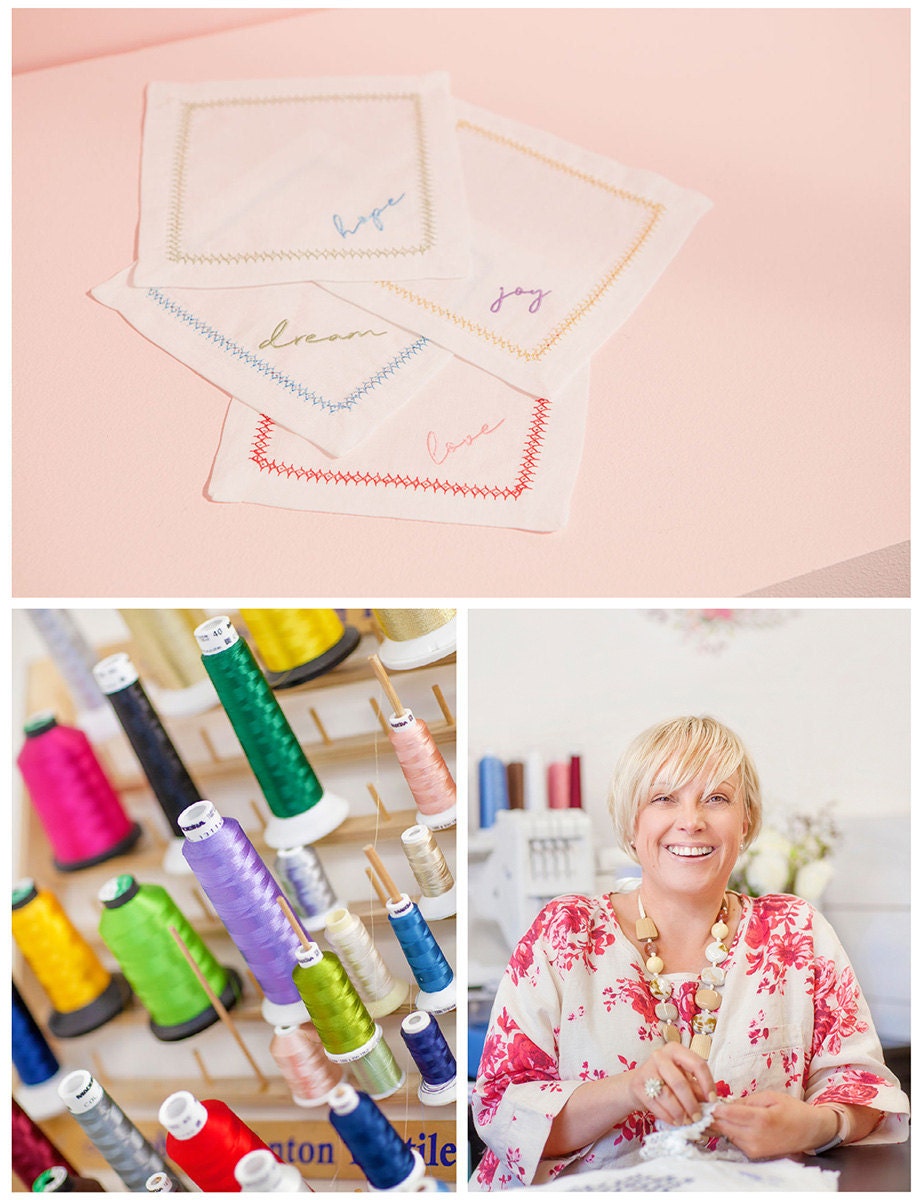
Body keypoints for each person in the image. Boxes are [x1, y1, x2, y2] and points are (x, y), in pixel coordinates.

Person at [471, 716, 909, 1189]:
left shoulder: (795, 933)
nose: (692, 821)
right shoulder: (565, 935)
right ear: (631, 824)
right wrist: (630, 1089)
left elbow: (861, 1088)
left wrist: (816, 1124)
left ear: (746, 822)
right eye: (663, 798)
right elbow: (501, 1114)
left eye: (716, 798)